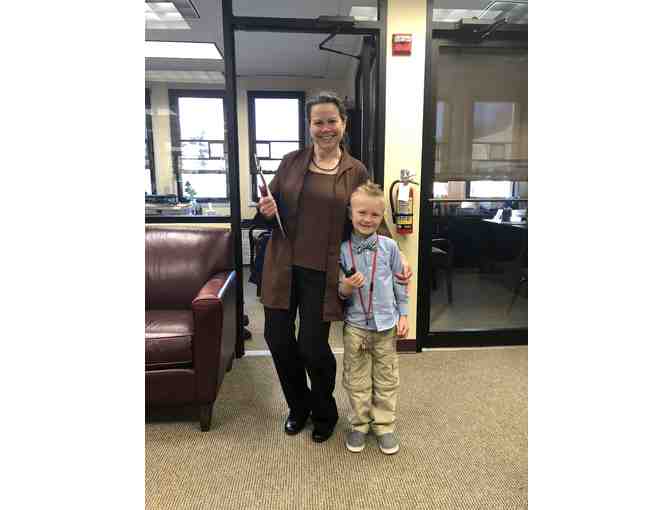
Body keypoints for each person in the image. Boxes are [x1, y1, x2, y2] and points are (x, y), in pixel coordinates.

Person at [256, 91, 411, 443]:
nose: (325, 128)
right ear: (309, 126)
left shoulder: (356, 170)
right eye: (318, 122)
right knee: (277, 339)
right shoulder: (291, 162)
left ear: (344, 124)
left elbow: (371, 214)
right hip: (282, 266)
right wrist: (265, 208)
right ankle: (298, 407)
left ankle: (324, 411)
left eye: (332, 121)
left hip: (324, 272)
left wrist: (397, 256)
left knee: (312, 347)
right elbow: (269, 206)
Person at [338, 181, 407, 455]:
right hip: (356, 326)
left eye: (375, 214)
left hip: (386, 325)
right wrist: (347, 286)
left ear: (382, 217)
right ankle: (359, 424)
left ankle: (384, 426)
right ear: (350, 214)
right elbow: (339, 292)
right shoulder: (342, 250)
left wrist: (404, 314)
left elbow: (400, 282)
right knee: (356, 379)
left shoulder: (390, 247)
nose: (368, 219)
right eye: (362, 213)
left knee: (386, 377)